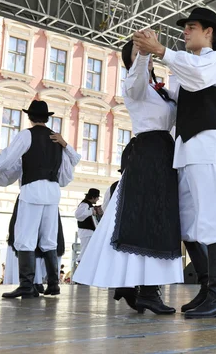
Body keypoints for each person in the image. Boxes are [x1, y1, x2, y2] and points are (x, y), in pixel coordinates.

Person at [133, 7, 216, 319]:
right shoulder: (187, 68)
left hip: (207, 149)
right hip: (188, 153)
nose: (185, 32)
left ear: (209, 33)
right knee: (190, 224)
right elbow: (177, 88)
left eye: (191, 27)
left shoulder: (214, 60)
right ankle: (207, 288)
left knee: (214, 221)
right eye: (185, 28)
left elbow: (198, 74)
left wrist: (161, 51)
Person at [73, 39, 183, 315]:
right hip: (147, 153)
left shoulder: (159, 91)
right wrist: (145, 53)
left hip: (163, 153)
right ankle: (144, 289)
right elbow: (135, 78)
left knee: (153, 217)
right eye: (136, 52)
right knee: (143, 217)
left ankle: (137, 286)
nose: (142, 54)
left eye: (143, 51)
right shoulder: (134, 86)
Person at [0, 100, 80, 299]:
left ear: (30, 117)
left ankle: (26, 285)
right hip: (52, 193)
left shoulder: (27, 135)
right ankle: (53, 284)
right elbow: (67, 174)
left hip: (32, 191)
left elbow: (5, 160)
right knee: (49, 240)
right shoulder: (57, 139)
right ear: (47, 117)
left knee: (25, 238)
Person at [74, 188, 101, 263]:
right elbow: (78, 215)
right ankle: (81, 264)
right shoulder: (84, 204)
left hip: (89, 232)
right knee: (85, 251)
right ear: (92, 197)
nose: (98, 199)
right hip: (86, 232)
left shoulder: (88, 205)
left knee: (88, 251)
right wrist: (91, 211)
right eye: (97, 197)